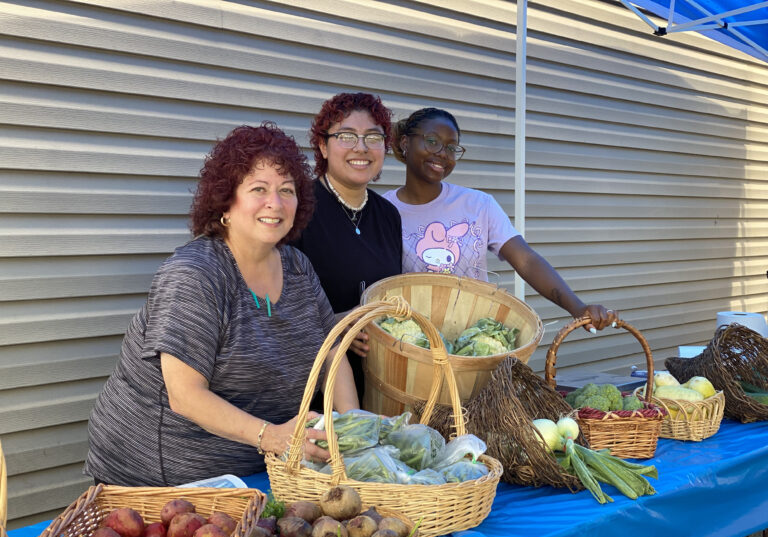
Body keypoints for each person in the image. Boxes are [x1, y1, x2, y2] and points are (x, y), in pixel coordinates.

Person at [84, 123, 359, 487]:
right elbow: (185, 396)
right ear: (226, 203)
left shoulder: (297, 267)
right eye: (258, 189)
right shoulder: (195, 275)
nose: (274, 203)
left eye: (286, 190)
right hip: (161, 477)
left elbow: (332, 352)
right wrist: (273, 437)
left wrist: (358, 429)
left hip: (258, 469)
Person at [384, 107, 617, 332]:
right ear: (405, 143)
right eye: (432, 141)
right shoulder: (382, 211)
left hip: (473, 344)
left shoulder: (478, 205)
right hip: (413, 348)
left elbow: (526, 260)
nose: (442, 154)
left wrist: (577, 307)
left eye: (452, 147)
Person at [292, 93, 402, 402]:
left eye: (373, 137)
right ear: (323, 146)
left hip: (378, 381)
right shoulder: (297, 209)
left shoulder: (388, 215)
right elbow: (276, 309)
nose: (361, 147)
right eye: (346, 136)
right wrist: (342, 320)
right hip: (312, 386)